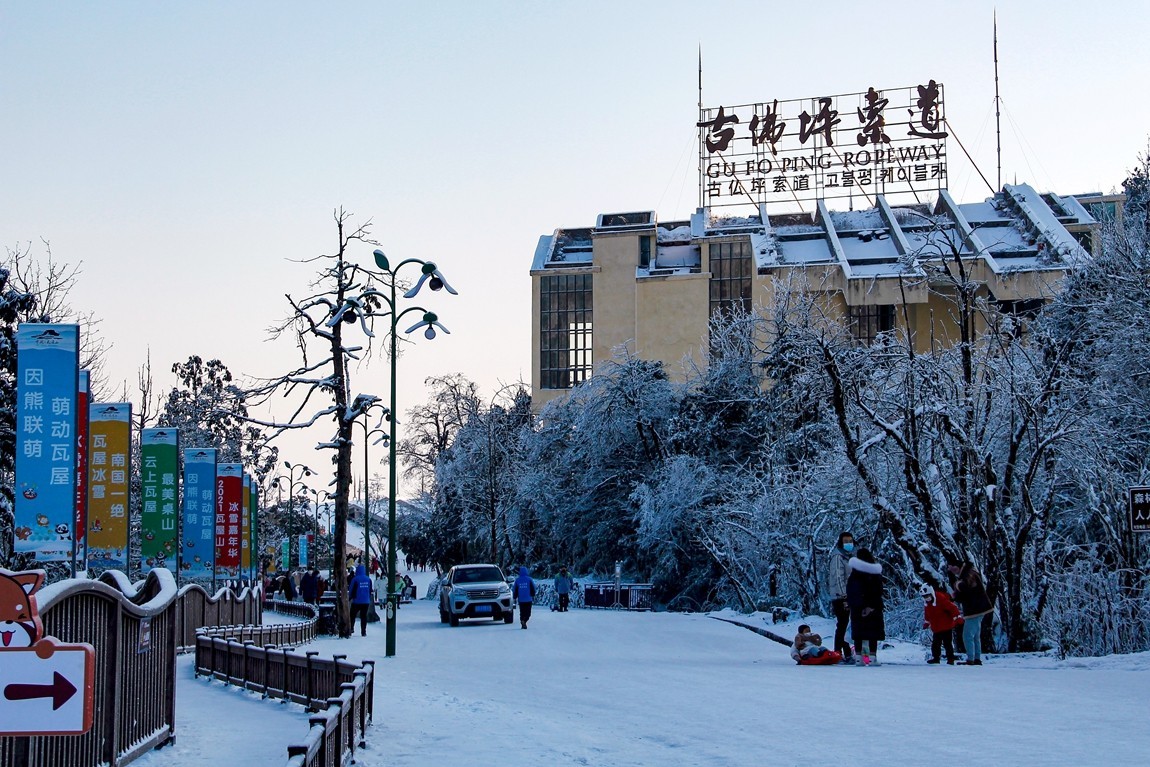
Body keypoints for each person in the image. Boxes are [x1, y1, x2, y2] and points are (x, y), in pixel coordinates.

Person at [949, 562, 993, 666]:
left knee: (968, 635)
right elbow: (965, 594)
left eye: (953, 567)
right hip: (979, 609)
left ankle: (971, 659)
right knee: (975, 635)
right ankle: (976, 658)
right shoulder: (969, 573)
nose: (952, 570)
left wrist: (957, 587)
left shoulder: (968, 575)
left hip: (974, 610)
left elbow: (967, 589)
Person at [846, 548, 885, 666]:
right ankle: (872, 657)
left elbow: (850, 591)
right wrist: (871, 606)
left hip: (857, 608)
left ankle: (859, 658)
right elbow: (878, 591)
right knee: (872, 633)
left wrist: (857, 605)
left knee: (859, 633)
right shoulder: (875, 573)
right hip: (873, 608)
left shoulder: (854, 574)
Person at [825, 531, 856, 664]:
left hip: (851, 595)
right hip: (840, 597)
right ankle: (839, 651)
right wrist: (844, 596)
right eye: (846, 541)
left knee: (848, 625)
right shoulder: (838, 557)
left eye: (850, 541)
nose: (849, 543)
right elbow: (838, 577)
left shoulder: (850, 556)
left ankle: (847, 651)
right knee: (843, 624)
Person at [921, 582, 961, 664]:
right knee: (935, 644)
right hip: (936, 627)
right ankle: (936, 658)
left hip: (946, 626)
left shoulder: (941, 599)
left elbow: (952, 608)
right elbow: (927, 613)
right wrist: (927, 622)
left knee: (947, 644)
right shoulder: (927, 604)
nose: (927, 598)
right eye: (924, 597)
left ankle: (950, 659)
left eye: (927, 596)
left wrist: (957, 617)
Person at [348, 564, 374, 636]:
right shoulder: (368, 579)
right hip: (366, 601)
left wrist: (350, 597)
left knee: (352, 615)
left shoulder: (355, 579)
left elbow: (351, 589)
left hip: (356, 601)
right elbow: (370, 589)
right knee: (363, 616)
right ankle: (363, 632)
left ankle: (351, 628)